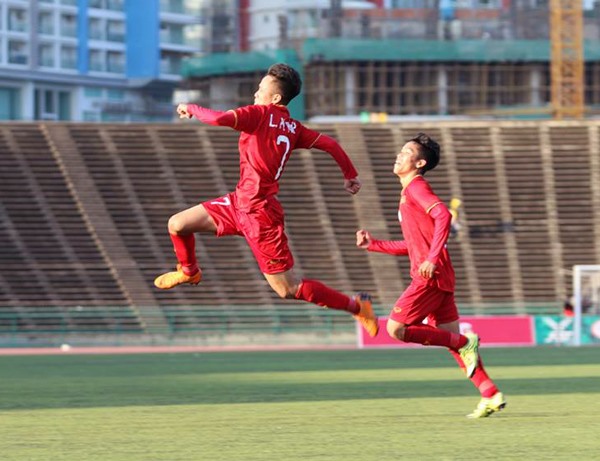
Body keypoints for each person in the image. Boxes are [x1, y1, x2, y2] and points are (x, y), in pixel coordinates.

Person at [154, 63, 378, 337]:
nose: (255, 93)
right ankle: (189, 272)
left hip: (260, 216)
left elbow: (218, 119)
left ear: (275, 98)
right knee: (177, 224)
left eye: (261, 89)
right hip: (238, 204)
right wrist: (350, 175)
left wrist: (191, 107)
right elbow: (330, 143)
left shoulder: (260, 114)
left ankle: (357, 307)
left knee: (288, 289)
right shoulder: (294, 128)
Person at [355, 132, 506, 418]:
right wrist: (373, 244)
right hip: (440, 275)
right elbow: (413, 246)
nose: (399, 154)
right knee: (452, 344)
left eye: (407, 151)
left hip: (430, 277)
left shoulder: (416, 188)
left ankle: (466, 341)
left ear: (420, 162)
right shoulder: (408, 192)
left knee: (395, 329)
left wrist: (432, 258)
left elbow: (444, 215)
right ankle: (490, 393)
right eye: (400, 150)